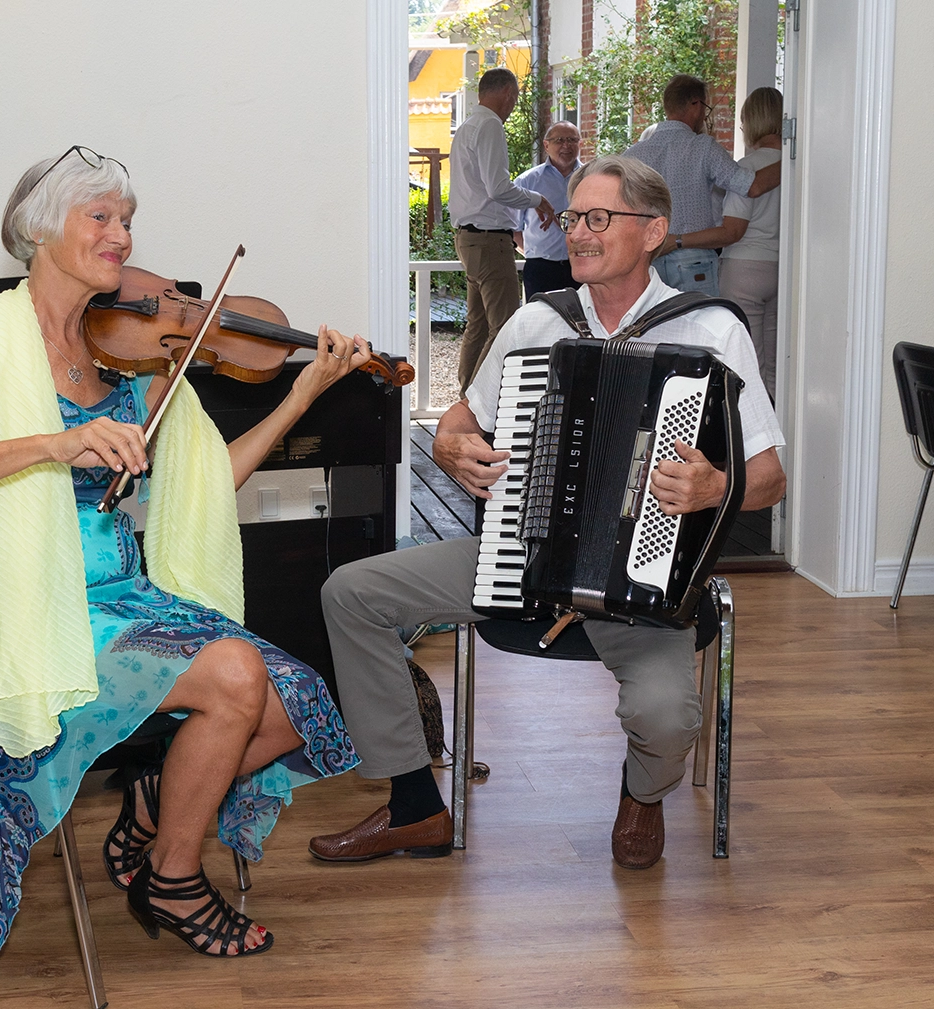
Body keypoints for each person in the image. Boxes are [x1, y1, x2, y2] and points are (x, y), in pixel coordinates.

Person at [0, 146, 368, 959]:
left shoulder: (127, 358)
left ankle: (152, 806)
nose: (122, 236)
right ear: (39, 229)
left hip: (125, 598)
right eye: (100, 216)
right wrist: (53, 444)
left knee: (294, 705)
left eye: (128, 219)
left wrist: (301, 393)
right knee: (236, 674)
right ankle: (173, 875)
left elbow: (208, 483)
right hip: (23, 606)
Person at [310, 156, 785, 870]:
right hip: (517, 556)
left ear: (653, 230)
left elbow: (771, 478)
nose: (578, 233)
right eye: (572, 218)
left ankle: (642, 794)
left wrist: (715, 487)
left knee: (664, 715)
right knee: (351, 592)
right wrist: (449, 443)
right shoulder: (538, 321)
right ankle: (414, 808)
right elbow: (464, 415)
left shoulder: (711, 331)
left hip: (641, 585)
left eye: (599, 218)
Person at [625, 74, 781, 297]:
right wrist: (794, 161)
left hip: (648, 259)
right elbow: (752, 186)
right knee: (700, 318)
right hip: (695, 259)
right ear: (696, 105)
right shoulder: (703, 147)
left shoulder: (632, 155)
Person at [672, 87, 784, 399]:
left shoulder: (746, 168)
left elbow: (732, 231)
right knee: (776, 365)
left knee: (746, 361)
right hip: (782, 268)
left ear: (753, 121)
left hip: (745, 270)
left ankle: (747, 427)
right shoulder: (795, 166)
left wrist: (677, 241)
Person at [449, 67, 554, 388]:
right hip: (489, 241)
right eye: (515, 98)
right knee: (504, 326)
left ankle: (466, 395)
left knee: (478, 326)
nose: (513, 106)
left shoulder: (467, 126)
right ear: (508, 93)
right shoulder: (490, 124)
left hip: (469, 238)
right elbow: (498, 188)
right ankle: (477, 402)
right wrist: (538, 199)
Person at [512, 121, 583, 301]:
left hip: (582, 264)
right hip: (541, 270)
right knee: (540, 315)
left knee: (582, 316)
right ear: (546, 145)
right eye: (559, 140)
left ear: (580, 144)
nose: (566, 145)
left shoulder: (590, 178)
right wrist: (534, 253)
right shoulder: (527, 182)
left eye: (572, 140)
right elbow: (514, 229)